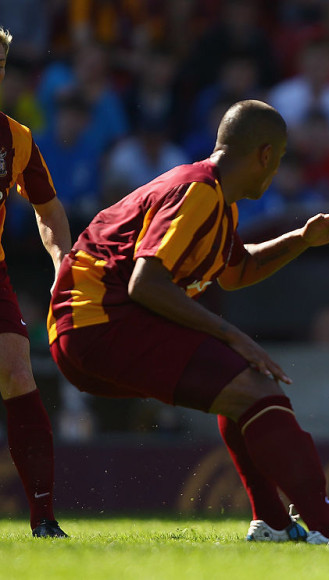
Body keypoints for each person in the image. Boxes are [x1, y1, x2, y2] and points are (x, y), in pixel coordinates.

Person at [48, 99, 329, 545]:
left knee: (241, 390)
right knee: (254, 386)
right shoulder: (198, 191)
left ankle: (274, 524)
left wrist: (300, 239)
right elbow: (146, 283)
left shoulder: (214, 198)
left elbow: (236, 270)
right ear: (264, 155)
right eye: (276, 161)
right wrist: (233, 335)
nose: (275, 171)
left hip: (84, 329)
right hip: (98, 321)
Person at [0, 27, 71, 538]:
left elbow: (47, 209)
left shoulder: (16, 138)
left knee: (18, 373)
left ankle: (43, 519)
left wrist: (61, 263)